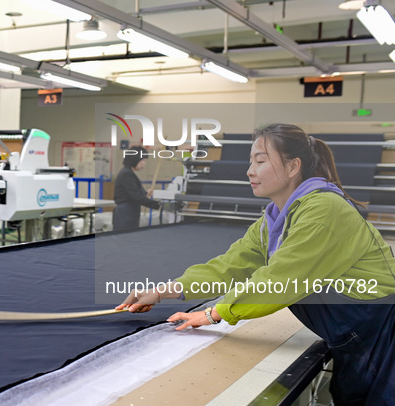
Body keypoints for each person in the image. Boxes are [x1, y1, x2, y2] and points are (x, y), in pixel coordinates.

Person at [117, 124, 395, 406]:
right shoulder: (275, 218)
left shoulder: (324, 210)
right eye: (251, 161)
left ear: (292, 167)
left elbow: (282, 279)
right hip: (354, 335)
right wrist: (165, 291)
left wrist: (216, 313)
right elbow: (232, 265)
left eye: (260, 161)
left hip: (380, 329)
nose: (250, 171)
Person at [112, 146, 160, 231]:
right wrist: (158, 205)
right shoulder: (126, 174)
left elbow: (132, 192)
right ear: (135, 159)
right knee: (124, 240)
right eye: (143, 160)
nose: (144, 164)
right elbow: (135, 197)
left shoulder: (128, 172)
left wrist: (146, 193)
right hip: (125, 213)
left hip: (129, 211)